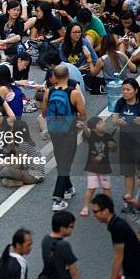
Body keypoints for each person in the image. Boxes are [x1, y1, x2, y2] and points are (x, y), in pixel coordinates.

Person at [42, 65, 87, 211]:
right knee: (65, 163)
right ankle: (57, 198)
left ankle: (68, 188)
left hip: (54, 131)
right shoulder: (74, 93)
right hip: (69, 131)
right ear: (68, 75)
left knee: (62, 160)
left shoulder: (49, 91)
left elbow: (44, 113)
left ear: (54, 76)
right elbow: (83, 113)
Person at [112, 78, 140, 211]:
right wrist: (119, 122)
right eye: (123, 89)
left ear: (136, 91)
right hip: (125, 144)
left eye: (128, 89)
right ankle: (129, 200)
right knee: (128, 173)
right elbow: (114, 119)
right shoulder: (120, 103)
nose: (125, 92)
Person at [91, 194, 140, 279]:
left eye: (95, 212)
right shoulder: (116, 223)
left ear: (105, 211)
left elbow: (119, 256)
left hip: (137, 275)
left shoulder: (116, 227)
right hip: (135, 271)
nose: (94, 215)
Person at [41, 211, 80, 279]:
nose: (73, 229)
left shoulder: (45, 239)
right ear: (62, 228)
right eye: (71, 226)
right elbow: (74, 271)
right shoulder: (63, 245)